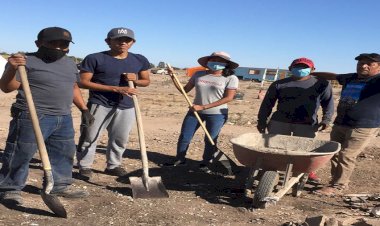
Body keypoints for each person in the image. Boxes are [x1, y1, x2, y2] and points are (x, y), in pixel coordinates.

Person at [0, 27, 93, 205]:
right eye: (53, 43)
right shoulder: (24, 61)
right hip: (31, 115)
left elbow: (73, 88)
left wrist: (84, 109)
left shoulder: (69, 63)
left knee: (64, 152)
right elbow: (6, 87)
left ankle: (60, 185)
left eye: (64, 44)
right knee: (20, 153)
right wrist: (11, 69)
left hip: (63, 116)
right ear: (39, 43)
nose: (58, 48)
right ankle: (10, 188)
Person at [76, 27, 150, 179]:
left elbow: (146, 81)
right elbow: (83, 82)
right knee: (90, 136)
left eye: (127, 40)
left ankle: (113, 165)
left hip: (127, 105)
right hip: (99, 103)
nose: (123, 43)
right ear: (108, 41)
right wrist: (114, 89)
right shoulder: (95, 58)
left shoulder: (139, 59)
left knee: (120, 138)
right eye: (118, 39)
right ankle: (85, 166)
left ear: (133, 42)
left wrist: (135, 80)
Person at [311, 53, 380, 196]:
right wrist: (310, 72)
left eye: (369, 64)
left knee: (347, 155)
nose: (363, 66)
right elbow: (333, 76)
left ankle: (338, 186)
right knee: (335, 153)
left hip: (364, 125)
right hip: (341, 122)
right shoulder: (350, 77)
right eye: (361, 63)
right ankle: (335, 182)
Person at [257, 57, 334, 183]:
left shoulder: (321, 84)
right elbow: (267, 104)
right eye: (298, 67)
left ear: (312, 69)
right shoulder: (279, 84)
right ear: (290, 69)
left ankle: (306, 172)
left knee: (305, 151)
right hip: (280, 122)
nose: (301, 70)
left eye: (305, 67)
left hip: (307, 123)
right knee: (275, 149)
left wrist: (326, 120)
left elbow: (328, 104)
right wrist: (261, 120)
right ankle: (269, 171)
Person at [163, 51, 239, 172]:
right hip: (195, 111)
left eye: (220, 61)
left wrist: (203, 107)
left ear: (226, 64)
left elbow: (228, 98)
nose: (216, 63)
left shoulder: (230, 78)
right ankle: (180, 159)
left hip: (217, 114)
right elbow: (185, 91)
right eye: (214, 60)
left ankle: (206, 163)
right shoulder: (199, 74)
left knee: (210, 139)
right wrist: (173, 77)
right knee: (184, 136)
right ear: (208, 61)